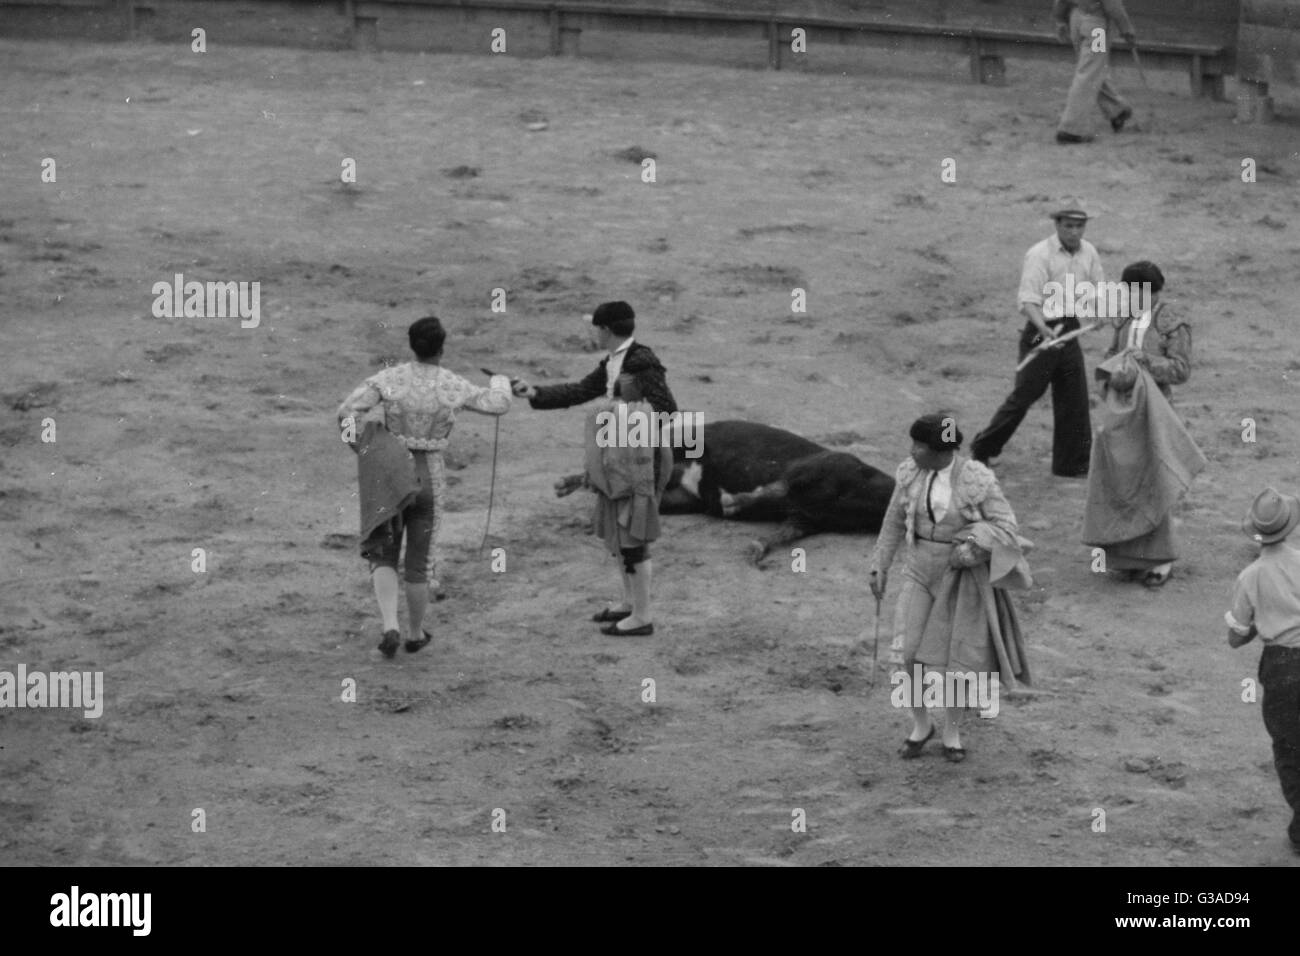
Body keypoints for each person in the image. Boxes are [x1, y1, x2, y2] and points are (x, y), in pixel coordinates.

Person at [337, 316, 511, 658]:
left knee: (384, 552)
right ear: (442, 349)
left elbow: (345, 411)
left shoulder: (391, 378)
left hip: (391, 474)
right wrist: (502, 381)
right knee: (419, 563)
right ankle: (415, 634)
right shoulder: (451, 384)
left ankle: (390, 625)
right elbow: (499, 404)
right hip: (429, 475)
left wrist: (367, 449)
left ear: (411, 345)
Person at [869, 414, 1032, 763]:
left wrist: (972, 547)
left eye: (919, 446)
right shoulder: (910, 474)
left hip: (958, 579)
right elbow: (893, 522)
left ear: (942, 452)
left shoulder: (976, 480)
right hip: (918, 569)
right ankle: (921, 724)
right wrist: (879, 564)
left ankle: (952, 732)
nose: (912, 451)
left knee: (955, 662)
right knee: (910, 653)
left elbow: (1006, 526)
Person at [512, 300, 677, 635]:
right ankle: (630, 603)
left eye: (595, 328)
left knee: (633, 533)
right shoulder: (616, 361)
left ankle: (643, 616)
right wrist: (535, 393)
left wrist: (617, 410)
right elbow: (581, 390)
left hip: (641, 460)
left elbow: (666, 409)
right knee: (620, 531)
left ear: (605, 329)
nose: (592, 333)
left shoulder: (642, 362)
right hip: (620, 457)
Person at [1082, 261, 1201, 588]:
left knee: (1155, 479)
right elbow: (1109, 356)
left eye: (1138, 293)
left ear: (1153, 292)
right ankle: (1129, 558)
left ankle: (1161, 559)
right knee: (1123, 479)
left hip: (1157, 409)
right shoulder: (1123, 319)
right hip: (1123, 410)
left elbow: (1181, 371)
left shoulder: (1171, 324)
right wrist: (1111, 377)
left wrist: (1146, 360)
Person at [971, 199, 1104, 478]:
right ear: (1057, 225)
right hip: (1040, 332)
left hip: (1068, 328)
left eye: (1080, 226)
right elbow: (1028, 299)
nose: (1074, 232)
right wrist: (1042, 327)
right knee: (1025, 395)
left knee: (1074, 397)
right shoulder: (1039, 255)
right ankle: (983, 447)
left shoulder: (1089, 252)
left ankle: (1072, 464)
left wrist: (1099, 311)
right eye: (1069, 226)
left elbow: (1096, 288)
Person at [1225, 488, 1300, 856]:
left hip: (1283, 667)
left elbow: (1236, 637)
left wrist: (1258, 622)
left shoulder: (1251, 576)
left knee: (1289, 745)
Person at [1052, 0, 1136, 143]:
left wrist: (1059, 19)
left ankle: (1117, 109)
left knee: (1091, 69)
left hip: (1076, 22)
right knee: (1089, 73)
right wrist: (1126, 29)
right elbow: (1112, 5)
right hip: (1096, 28)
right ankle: (1072, 129)